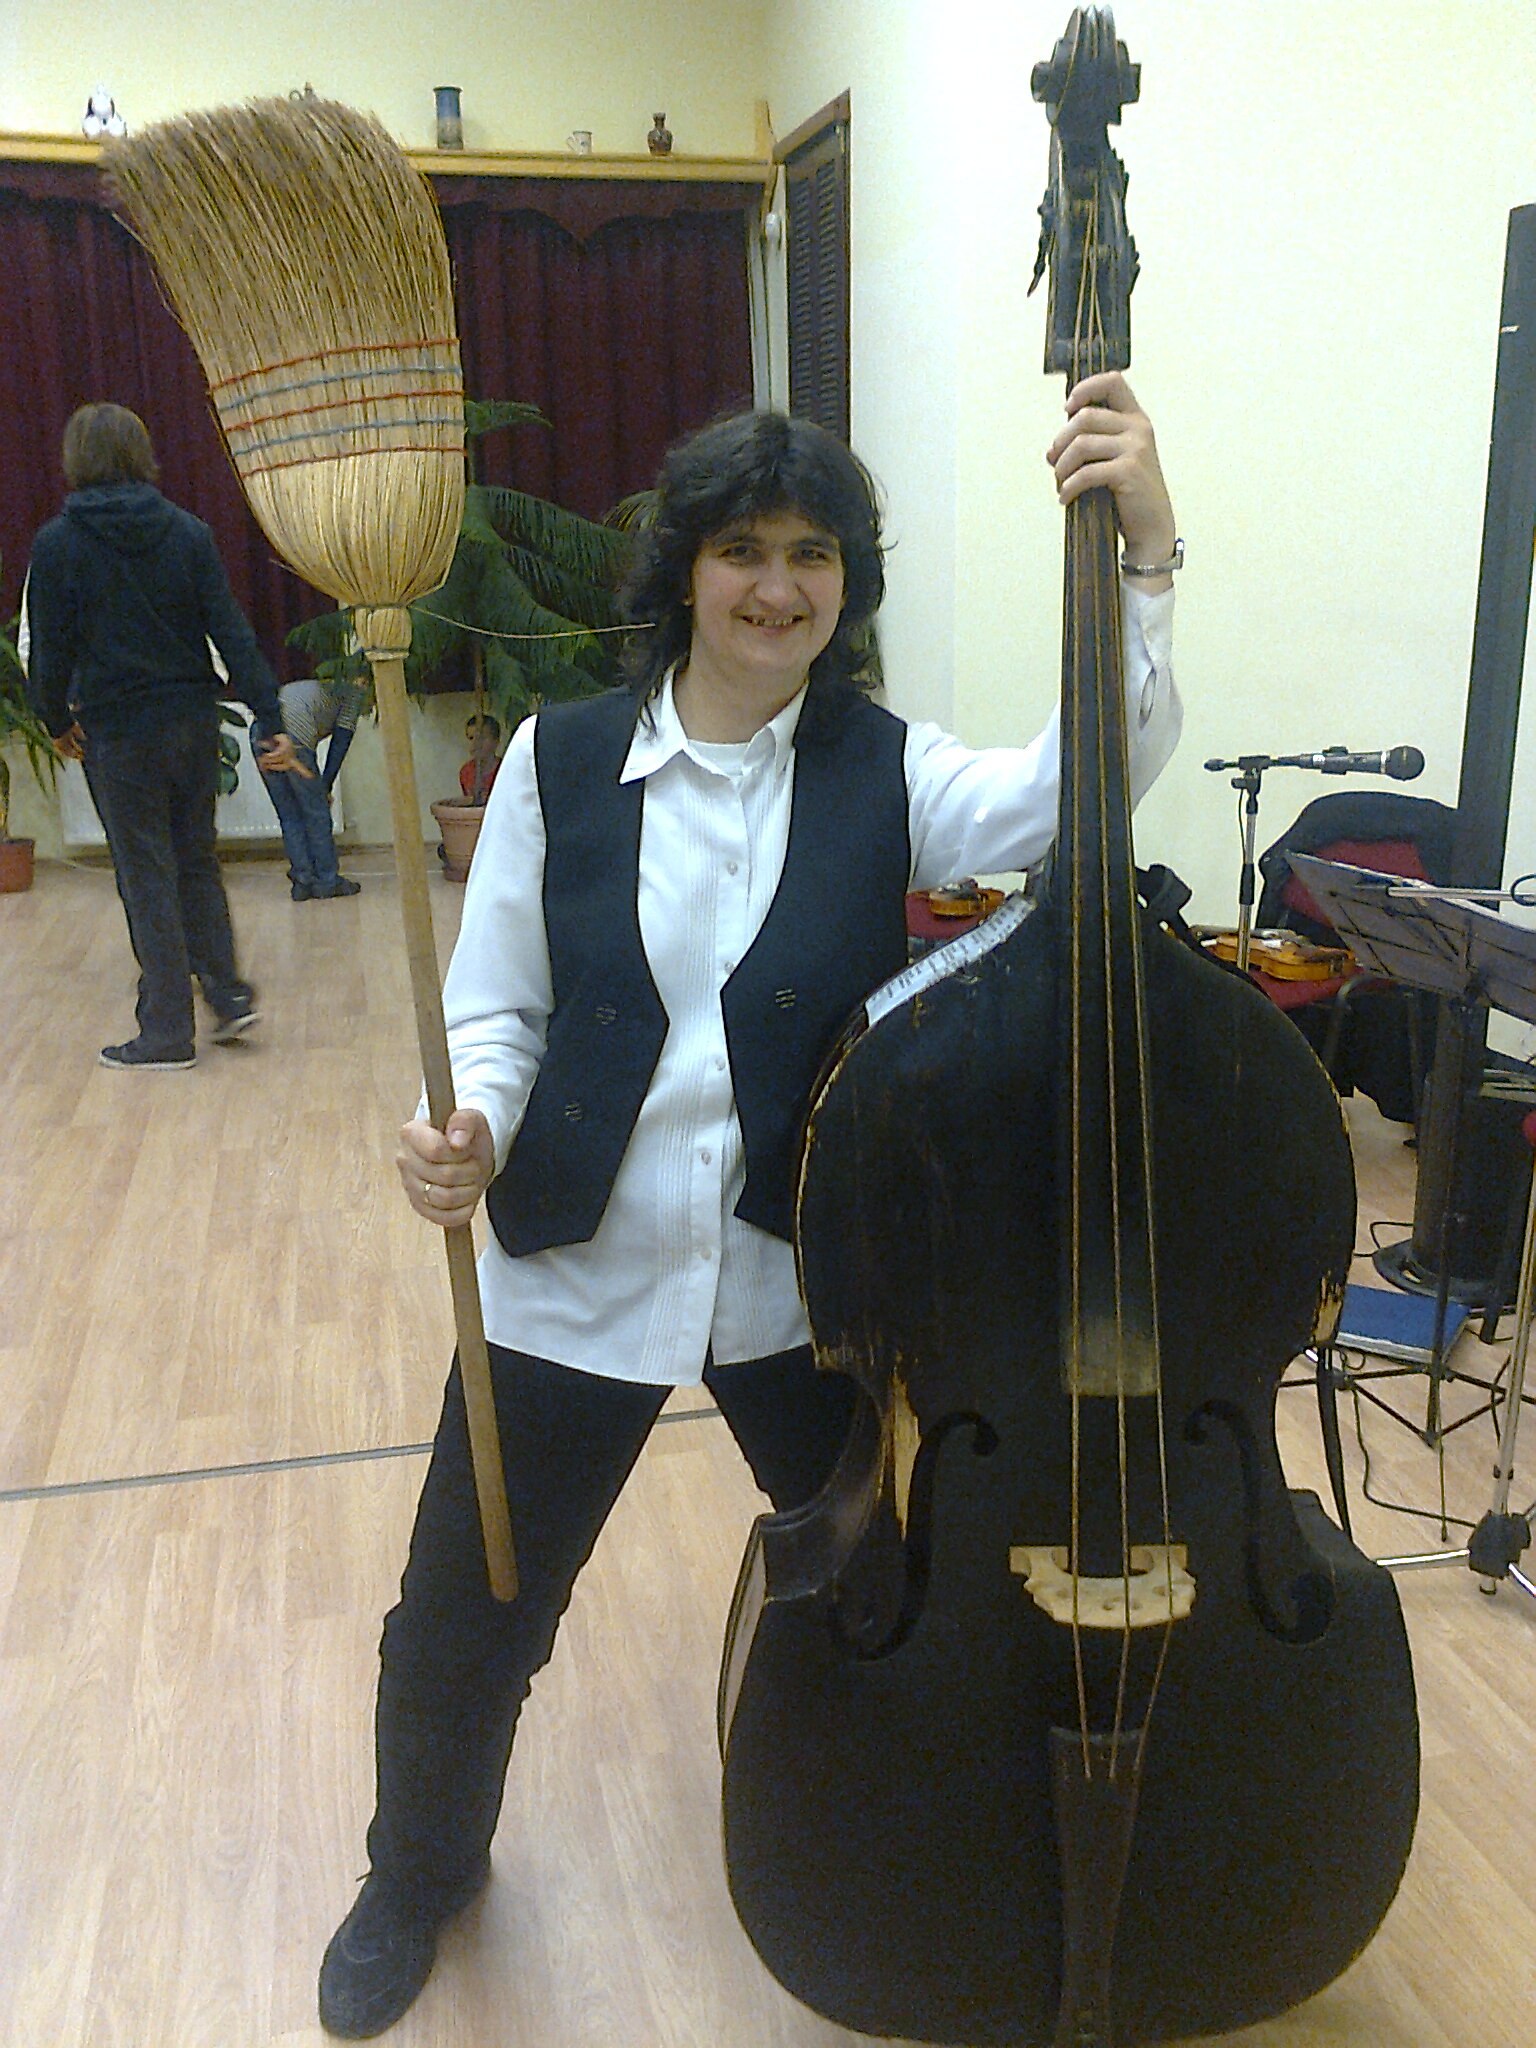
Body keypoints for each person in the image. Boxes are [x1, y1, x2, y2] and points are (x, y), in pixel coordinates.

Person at [318, 372, 1183, 2038]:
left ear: (848, 582)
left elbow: (1088, 783)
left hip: (804, 1280)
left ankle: (921, 1852)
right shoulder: (563, 761)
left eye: (812, 554)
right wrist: (462, 1119)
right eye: (743, 551)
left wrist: (1146, 557)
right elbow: (495, 1004)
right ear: (685, 568)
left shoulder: (887, 768)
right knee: (465, 1615)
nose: (777, 587)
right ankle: (416, 1873)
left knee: (889, 1591)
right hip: (573, 1263)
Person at [24, 402, 307, 1069]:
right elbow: (231, 631)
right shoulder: (188, 532)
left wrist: (54, 720)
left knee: (146, 875)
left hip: (119, 732)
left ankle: (167, 1032)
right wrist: (269, 718)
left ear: (74, 460)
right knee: (196, 861)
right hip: (193, 722)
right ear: (141, 452)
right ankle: (228, 995)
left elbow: (49, 652)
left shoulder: (58, 544)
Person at [263, 674, 366, 899]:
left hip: (262, 734)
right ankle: (327, 882)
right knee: (317, 814)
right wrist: (325, 787)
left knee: (289, 815)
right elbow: (341, 741)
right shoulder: (355, 692)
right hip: (294, 738)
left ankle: (302, 882)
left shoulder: (325, 686)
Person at [458, 712, 503, 804]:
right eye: (471, 738)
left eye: (482, 738)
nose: (476, 743)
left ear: (496, 741)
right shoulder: (466, 772)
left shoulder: (505, 770)